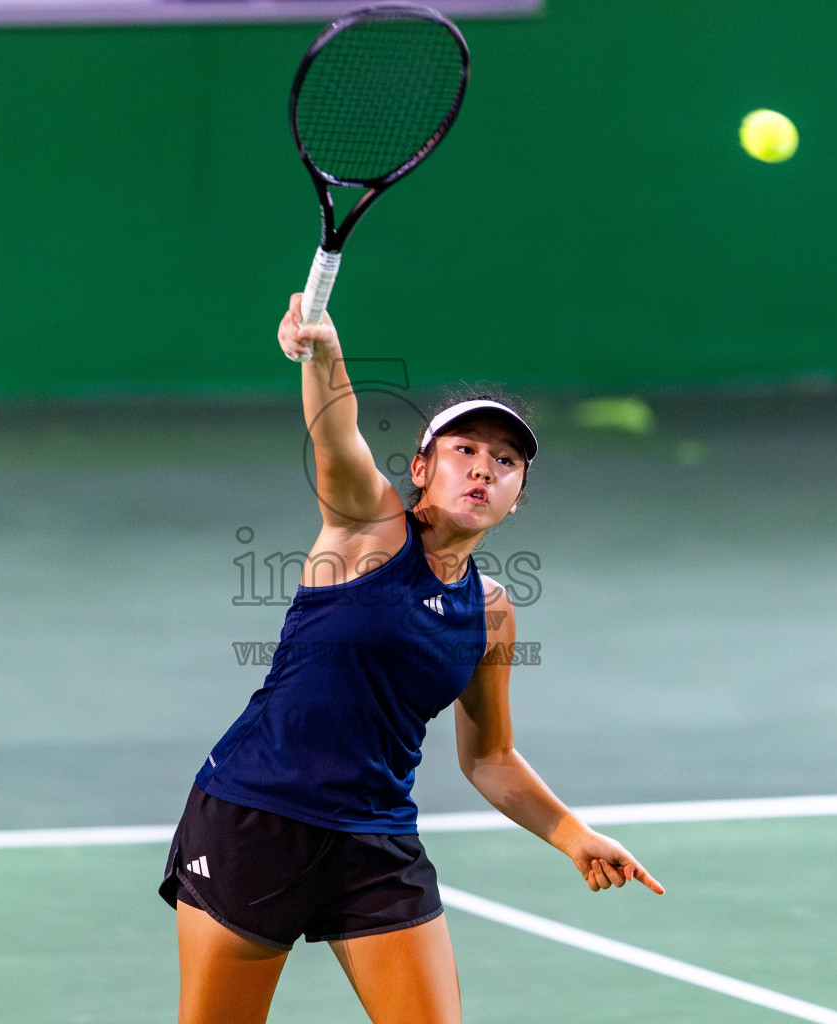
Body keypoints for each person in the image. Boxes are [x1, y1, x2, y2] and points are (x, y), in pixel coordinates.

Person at [160, 295, 663, 1024]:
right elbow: (336, 433)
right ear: (422, 468)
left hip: (374, 838)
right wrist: (324, 355)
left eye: (505, 460)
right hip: (255, 818)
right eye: (465, 451)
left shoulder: (491, 610)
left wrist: (572, 833)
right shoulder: (369, 527)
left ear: (518, 496)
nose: (484, 469)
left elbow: (490, 755)